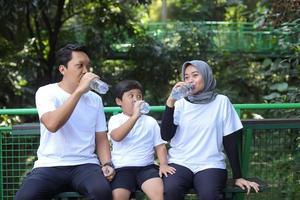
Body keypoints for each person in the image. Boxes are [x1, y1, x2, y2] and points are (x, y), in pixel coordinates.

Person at [15, 44, 115, 200]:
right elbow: (52, 124)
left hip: (85, 164)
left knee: (102, 193)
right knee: (25, 197)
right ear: (63, 69)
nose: (86, 71)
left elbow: (101, 137)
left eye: (88, 66)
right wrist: (79, 91)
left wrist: (107, 164)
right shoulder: (46, 92)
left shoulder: (95, 99)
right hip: (50, 164)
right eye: (79, 66)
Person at [161, 60, 260, 200]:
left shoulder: (222, 102)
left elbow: (230, 142)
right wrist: (170, 102)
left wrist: (238, 176)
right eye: (186, 77)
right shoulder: (180, 104)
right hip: (180, 162)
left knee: (210, 195)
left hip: (210, 164)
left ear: (206, 76)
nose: (190, 81)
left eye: (195, 75)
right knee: (170, 191)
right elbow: (166, 135)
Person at [108, 80, 176, 200]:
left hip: (146, 167)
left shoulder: (150, 121)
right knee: (118, 196)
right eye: (131, 96)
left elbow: (160, 146)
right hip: (121, 169)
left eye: (139, 96)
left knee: (159, 195)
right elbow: (117, 137)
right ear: (119, 101)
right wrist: (134, 117)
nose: (136, 99)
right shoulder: (116, 119)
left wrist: (164, 164)